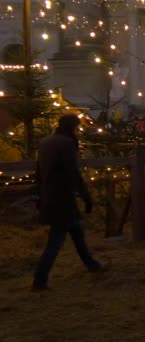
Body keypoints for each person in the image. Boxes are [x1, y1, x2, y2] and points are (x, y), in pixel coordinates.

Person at [33, 114, 106, 291]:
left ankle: (92, 265)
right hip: (62, 198)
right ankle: (39, 280)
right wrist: (86, 197)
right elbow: (73, 173)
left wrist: (39, 196)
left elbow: (38, 173)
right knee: (56, 240)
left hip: (51, 196)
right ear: (71, 126)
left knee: (77, 232)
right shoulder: (66, 144)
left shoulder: (45, 142)